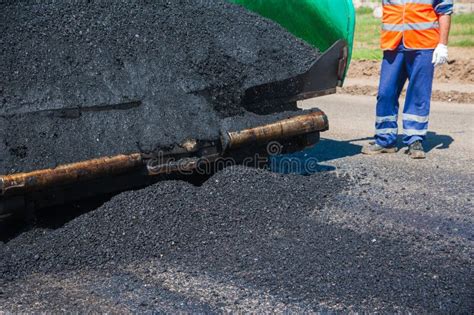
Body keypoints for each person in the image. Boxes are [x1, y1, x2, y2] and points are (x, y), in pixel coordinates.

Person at [362, 0, 453, 159]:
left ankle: (415, 139)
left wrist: (442, 45)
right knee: (385, 92)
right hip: (393, 44)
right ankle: (385, 140)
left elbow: (444, 11)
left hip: (423, 45)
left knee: (418, 93)